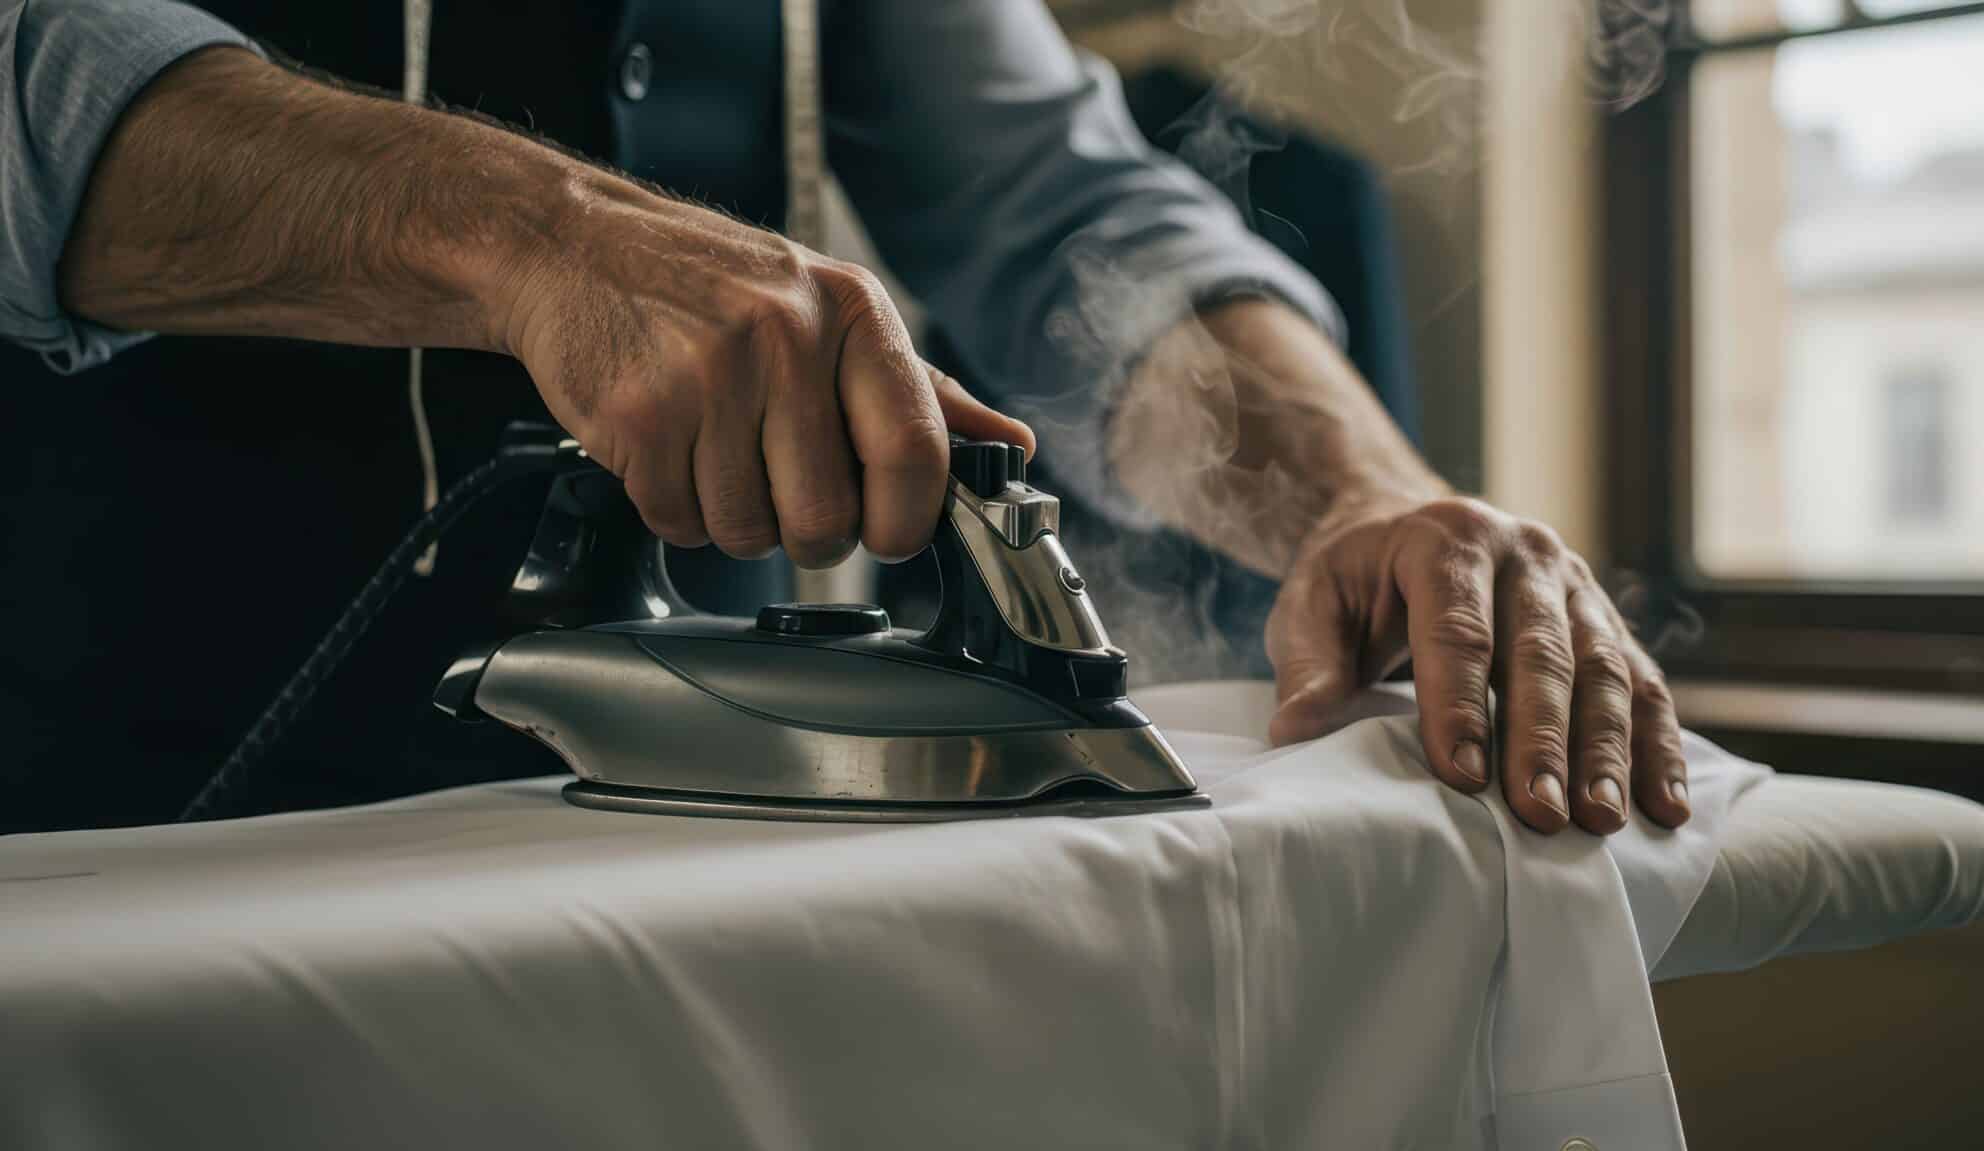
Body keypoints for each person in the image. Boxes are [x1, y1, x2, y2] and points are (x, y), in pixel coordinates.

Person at [0, 0, 1689, 838]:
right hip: (105, 816)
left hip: (687, 863)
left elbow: (1067, 224)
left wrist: (1363, 506)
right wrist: (531, 239)